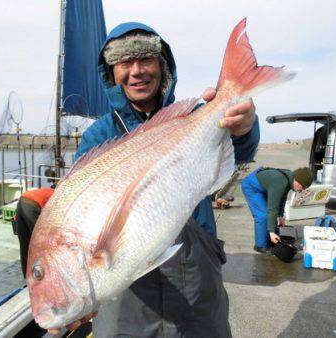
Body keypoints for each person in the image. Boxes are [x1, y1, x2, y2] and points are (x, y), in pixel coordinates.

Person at [57, 22, 259, 338]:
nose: (136, 71)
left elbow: (239, 151)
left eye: (146, 60)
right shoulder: (98, 136)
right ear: (111, 73)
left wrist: (244, 126)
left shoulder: (193, 116)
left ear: (162, 66)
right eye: (125, 62)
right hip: (127, 292)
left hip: (196, 276)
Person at [241, 167, 313, 254]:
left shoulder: (290, 178)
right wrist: (271, 231)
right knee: (263, 215)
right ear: (297, 181)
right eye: (303, 186)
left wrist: (280, 215)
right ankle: (260, 245)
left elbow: (282, 197)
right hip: (251, 186)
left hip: (264, 187)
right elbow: (272, 208)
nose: (302, 190)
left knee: (273, 215)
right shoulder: (280, 182)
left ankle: (271, 239)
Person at [14, 187, 54, 277]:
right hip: (31, 206)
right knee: (41, 243)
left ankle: (26, 275)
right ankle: (46, 274)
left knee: (24, 243)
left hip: (21, 202)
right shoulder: (56, 195)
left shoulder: (45, 191)